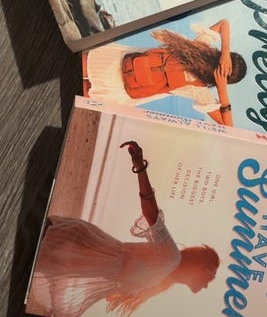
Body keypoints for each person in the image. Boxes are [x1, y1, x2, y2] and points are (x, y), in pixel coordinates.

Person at [30, 141, 219, 317]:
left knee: (30, 250)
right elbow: (151, 214)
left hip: (85, 261)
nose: (207, 286)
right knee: (31, 240)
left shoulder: (163, 279)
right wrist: (140, 168)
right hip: (86, 251)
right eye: (211, 277)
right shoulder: (171, 257)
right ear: (200, 266)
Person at [84, 19, 247, 126]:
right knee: (83, 92)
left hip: (122, 60)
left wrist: (225, 52)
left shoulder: (199, 47)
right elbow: (228, 128)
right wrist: (222, 90)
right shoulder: (200, 91)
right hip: (126, 88)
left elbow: (224, 24)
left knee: (85, 63)